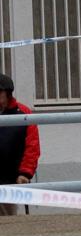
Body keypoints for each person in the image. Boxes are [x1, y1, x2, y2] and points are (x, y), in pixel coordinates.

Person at [0, 73, 40, 215]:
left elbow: (32, 147)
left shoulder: (23, 113)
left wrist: (25, 173)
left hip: (9, 178)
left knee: (8, 221)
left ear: (8, 93)